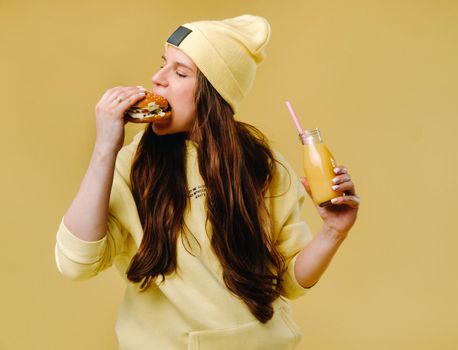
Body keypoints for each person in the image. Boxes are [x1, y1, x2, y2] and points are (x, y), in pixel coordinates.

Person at [55, 14, 360, 350]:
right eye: (162, 65)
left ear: (214, 92)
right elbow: (75, 264)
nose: (158, 79)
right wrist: (104, 150)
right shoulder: (133, 164)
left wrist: (333, 232)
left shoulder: (263, 163)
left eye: (180, 72)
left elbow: (288, 280)